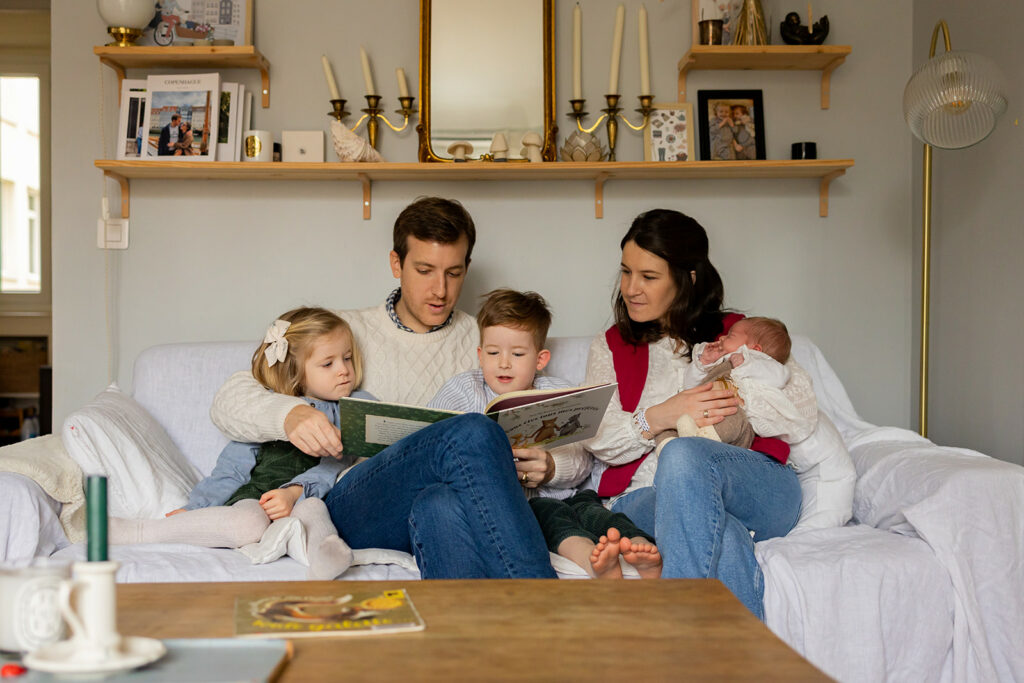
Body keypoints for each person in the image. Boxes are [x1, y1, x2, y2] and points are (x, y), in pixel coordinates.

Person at [210, 197, 555, 579]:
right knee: (472, 431)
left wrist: (553, 466)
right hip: (355, 502)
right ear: (396, 263)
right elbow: (231, 396)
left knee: (438, 503)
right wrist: (290, 414)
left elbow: (550, 412)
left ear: (467, 268)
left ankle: (466, 630)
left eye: (453, 273)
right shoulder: (346, 331)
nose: (440, 289)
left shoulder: (489, 341)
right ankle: (541, 595)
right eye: (424, 270)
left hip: (442, 500)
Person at [577, 209, 817, 617]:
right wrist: (667, 412)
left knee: (684, 454)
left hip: (754, 483)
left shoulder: (743, 333)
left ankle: (678, 639)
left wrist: (736, 395)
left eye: (649, 277)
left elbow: (800, 413)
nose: (631, 288)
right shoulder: (610, 346)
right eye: (626, 272)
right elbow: (600, 443)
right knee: (720, 529)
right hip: (644, 495)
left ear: (688, 278)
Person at [110, 307, 370, 580]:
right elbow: (231, 470)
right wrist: (195, 507)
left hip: (310, 496)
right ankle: (142, 532)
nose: (344, 371)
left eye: (348, 358)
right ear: (295, 371)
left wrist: (295, 492)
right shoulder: (268, 411)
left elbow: (338, 462)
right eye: (328, 364)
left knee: (315, 511)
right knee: (247, 522)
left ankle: (326, 556)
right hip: (257, 497)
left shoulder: (356, 407)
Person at [427, 289, 661, 579]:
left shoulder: (556, 391)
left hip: (571, 493)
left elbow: (583, 458)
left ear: (540, 359)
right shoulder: (463, 390)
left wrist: (552, 467)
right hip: (526, 505)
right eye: (492, 352)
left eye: (517, 354)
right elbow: (430, 437)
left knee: (599, 513)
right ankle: (593, 561)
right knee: (555, 523)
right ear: (479, 354)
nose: (503, 363)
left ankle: (639, 547)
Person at [670, 316, 801, 449]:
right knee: (672, 422)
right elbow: (689, 387)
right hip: (706, 413)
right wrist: (702, 364)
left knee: (734, 418)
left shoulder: (761, 364)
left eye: (730, 335)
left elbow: (780, 376)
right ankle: (671, 442)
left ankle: (700, 439)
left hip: (735, 421)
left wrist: (749, 363)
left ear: (755, 349)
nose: (722, 337)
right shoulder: (719, 361)